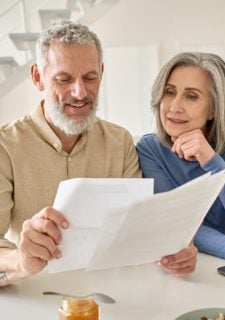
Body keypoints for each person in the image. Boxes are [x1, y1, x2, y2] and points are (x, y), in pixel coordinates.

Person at [0, 21, 196, 286]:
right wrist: (20, 260)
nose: (80, 93)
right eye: (64, 79)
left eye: (90, 77)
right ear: (37, 77)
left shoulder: (120, 142)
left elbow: (139, 231)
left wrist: (173, 248)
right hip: (32, 294)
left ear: (101, 73)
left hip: (110, 292)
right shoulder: (5, 146)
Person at [137, 52, 225, 263]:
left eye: (191, 96)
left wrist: (212, 162)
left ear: (213, 109)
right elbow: (176, 222)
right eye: (169, 92)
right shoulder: (150, 149)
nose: (174, 107)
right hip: (194, 262)